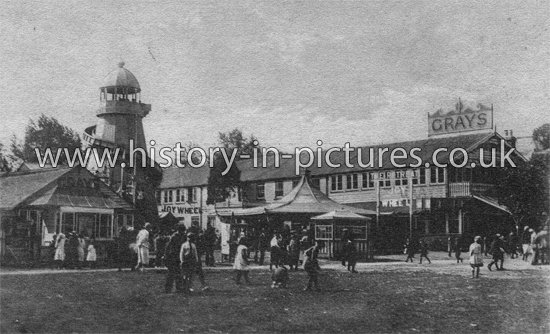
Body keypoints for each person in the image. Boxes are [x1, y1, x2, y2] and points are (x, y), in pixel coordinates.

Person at [164, 225, 186, 293]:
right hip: (173, 256)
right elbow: (168, 246)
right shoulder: (174, 236)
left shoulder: (184, 236)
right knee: (171, 273)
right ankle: (168, 288)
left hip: (179, 256)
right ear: (179, 230)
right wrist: (166, 255)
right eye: (182, 231)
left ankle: (179, 287)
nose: (183, 232)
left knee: (179, 272)